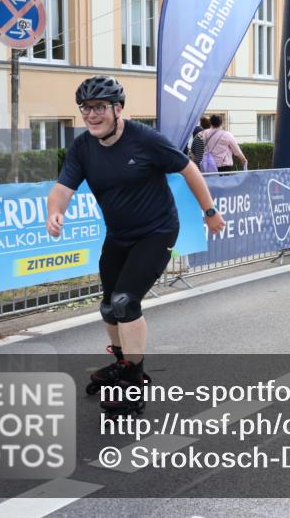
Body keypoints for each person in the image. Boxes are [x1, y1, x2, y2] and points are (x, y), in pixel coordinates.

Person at [46, 76, 226, 415]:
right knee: (108, 308)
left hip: (156, 232)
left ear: (118, 108)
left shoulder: (146, 140)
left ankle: (132, 380)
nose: (91, 115)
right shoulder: (83, 147)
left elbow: (188, 168)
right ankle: (124, 364)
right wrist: (54, 213)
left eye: (99, 108)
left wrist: (210, 211)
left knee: (126, 301)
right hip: (119, 234)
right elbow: (62, 189)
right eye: (86, 109)